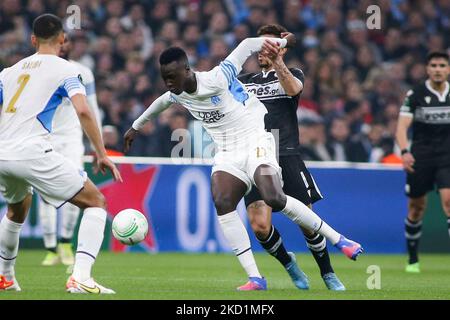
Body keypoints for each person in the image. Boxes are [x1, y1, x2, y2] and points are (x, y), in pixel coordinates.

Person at [124, 34, 363, 291]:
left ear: (186, 70)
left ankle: (340, 240)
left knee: (274, 198)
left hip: (256, 140)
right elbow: (160, 103)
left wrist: (284, 42)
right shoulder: (177, 93)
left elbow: (249, 44)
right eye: (164, 79)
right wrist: (135, 127)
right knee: (222, 201)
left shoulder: (217, 77)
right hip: (227, 151)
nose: (168, 83)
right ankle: (255, 278)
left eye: (172, 77)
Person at [0, 14, 122, 293]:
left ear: (33, 40)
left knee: (17, 210)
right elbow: (82, 109)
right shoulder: (66, 70)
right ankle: (80, 278)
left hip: (3, 153)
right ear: (62, 39)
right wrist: (101, 152)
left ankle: (4, 277)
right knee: (95, 202)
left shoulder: (8, 72)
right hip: (31, 151)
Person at [238, 24, 345, 291]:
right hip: (255, 158)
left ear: (279, 48)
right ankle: (289, 264)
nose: (263, 50)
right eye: (259, 45)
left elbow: (293, 90)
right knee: (260, 227)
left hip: (286, 154)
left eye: (269, 44)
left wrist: (278, 62)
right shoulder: (245, 81)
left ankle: (328, 273)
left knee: (307, 222)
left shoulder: (292, 73)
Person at [39, 34, 102, 270]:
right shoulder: (41, 71)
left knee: (76, 189)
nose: (63, 47)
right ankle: (50, 248)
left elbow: (92, 108)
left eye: (66, 43)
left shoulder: (83, 73)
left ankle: (65, 243)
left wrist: (98, 146)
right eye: (60, 43)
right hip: (45, 138)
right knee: (45, 195)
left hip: (73, 140)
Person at [396, 51, 450, 273]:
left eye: (442, 65)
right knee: (417, 207)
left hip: (447, 156)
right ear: (427, 69)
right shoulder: (416, 94)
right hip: (421, 156)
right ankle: (413, 258)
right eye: (434, 65)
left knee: (448, 201)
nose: (438, 69)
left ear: (448, 69)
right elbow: (401, 127)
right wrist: (405, 151)